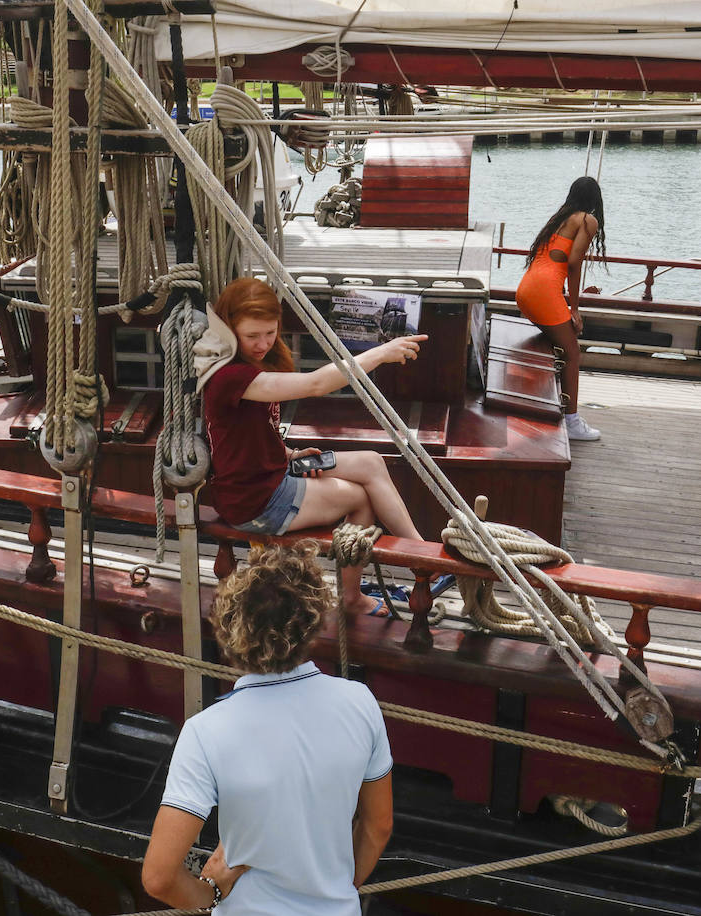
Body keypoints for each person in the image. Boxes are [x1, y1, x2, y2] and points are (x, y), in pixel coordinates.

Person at [141, 542, 394, 914]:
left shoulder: (206, 732)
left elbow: (159, 878)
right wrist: (335, 890)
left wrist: (209, 896)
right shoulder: (360, 703)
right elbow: (378, 827)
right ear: (313, 619)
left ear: (230, 630)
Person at [196, 277, 426, 617]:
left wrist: (289, 454)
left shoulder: (252, 366)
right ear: (230, 330)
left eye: (270, 333)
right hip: (255, 502)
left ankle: (420, 552)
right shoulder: (230, 376)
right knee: (360, 498)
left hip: (268, 477)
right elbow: (316, 384)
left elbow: (245, 435)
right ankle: (357, 595)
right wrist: (379, 354)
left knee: (371, 463)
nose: (263, 344)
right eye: (252, 336)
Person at [515, 175, 606, 441]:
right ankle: (572, 421)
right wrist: (574, 308)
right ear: (595, 200)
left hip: (526, 290)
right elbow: (574, 263)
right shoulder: (588, 220)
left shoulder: (562, 217)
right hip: (543, 292)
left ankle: (551, 406)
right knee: (572, 353)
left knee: (555, 345)